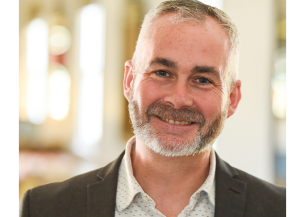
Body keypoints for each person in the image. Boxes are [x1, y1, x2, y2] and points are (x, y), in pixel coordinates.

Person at [19, 0, 287, 216]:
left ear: (232, 98)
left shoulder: (277, 209)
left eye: (202, 79)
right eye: (162, 72)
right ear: (129, 80)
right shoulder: (46, 208)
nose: (178, 98)